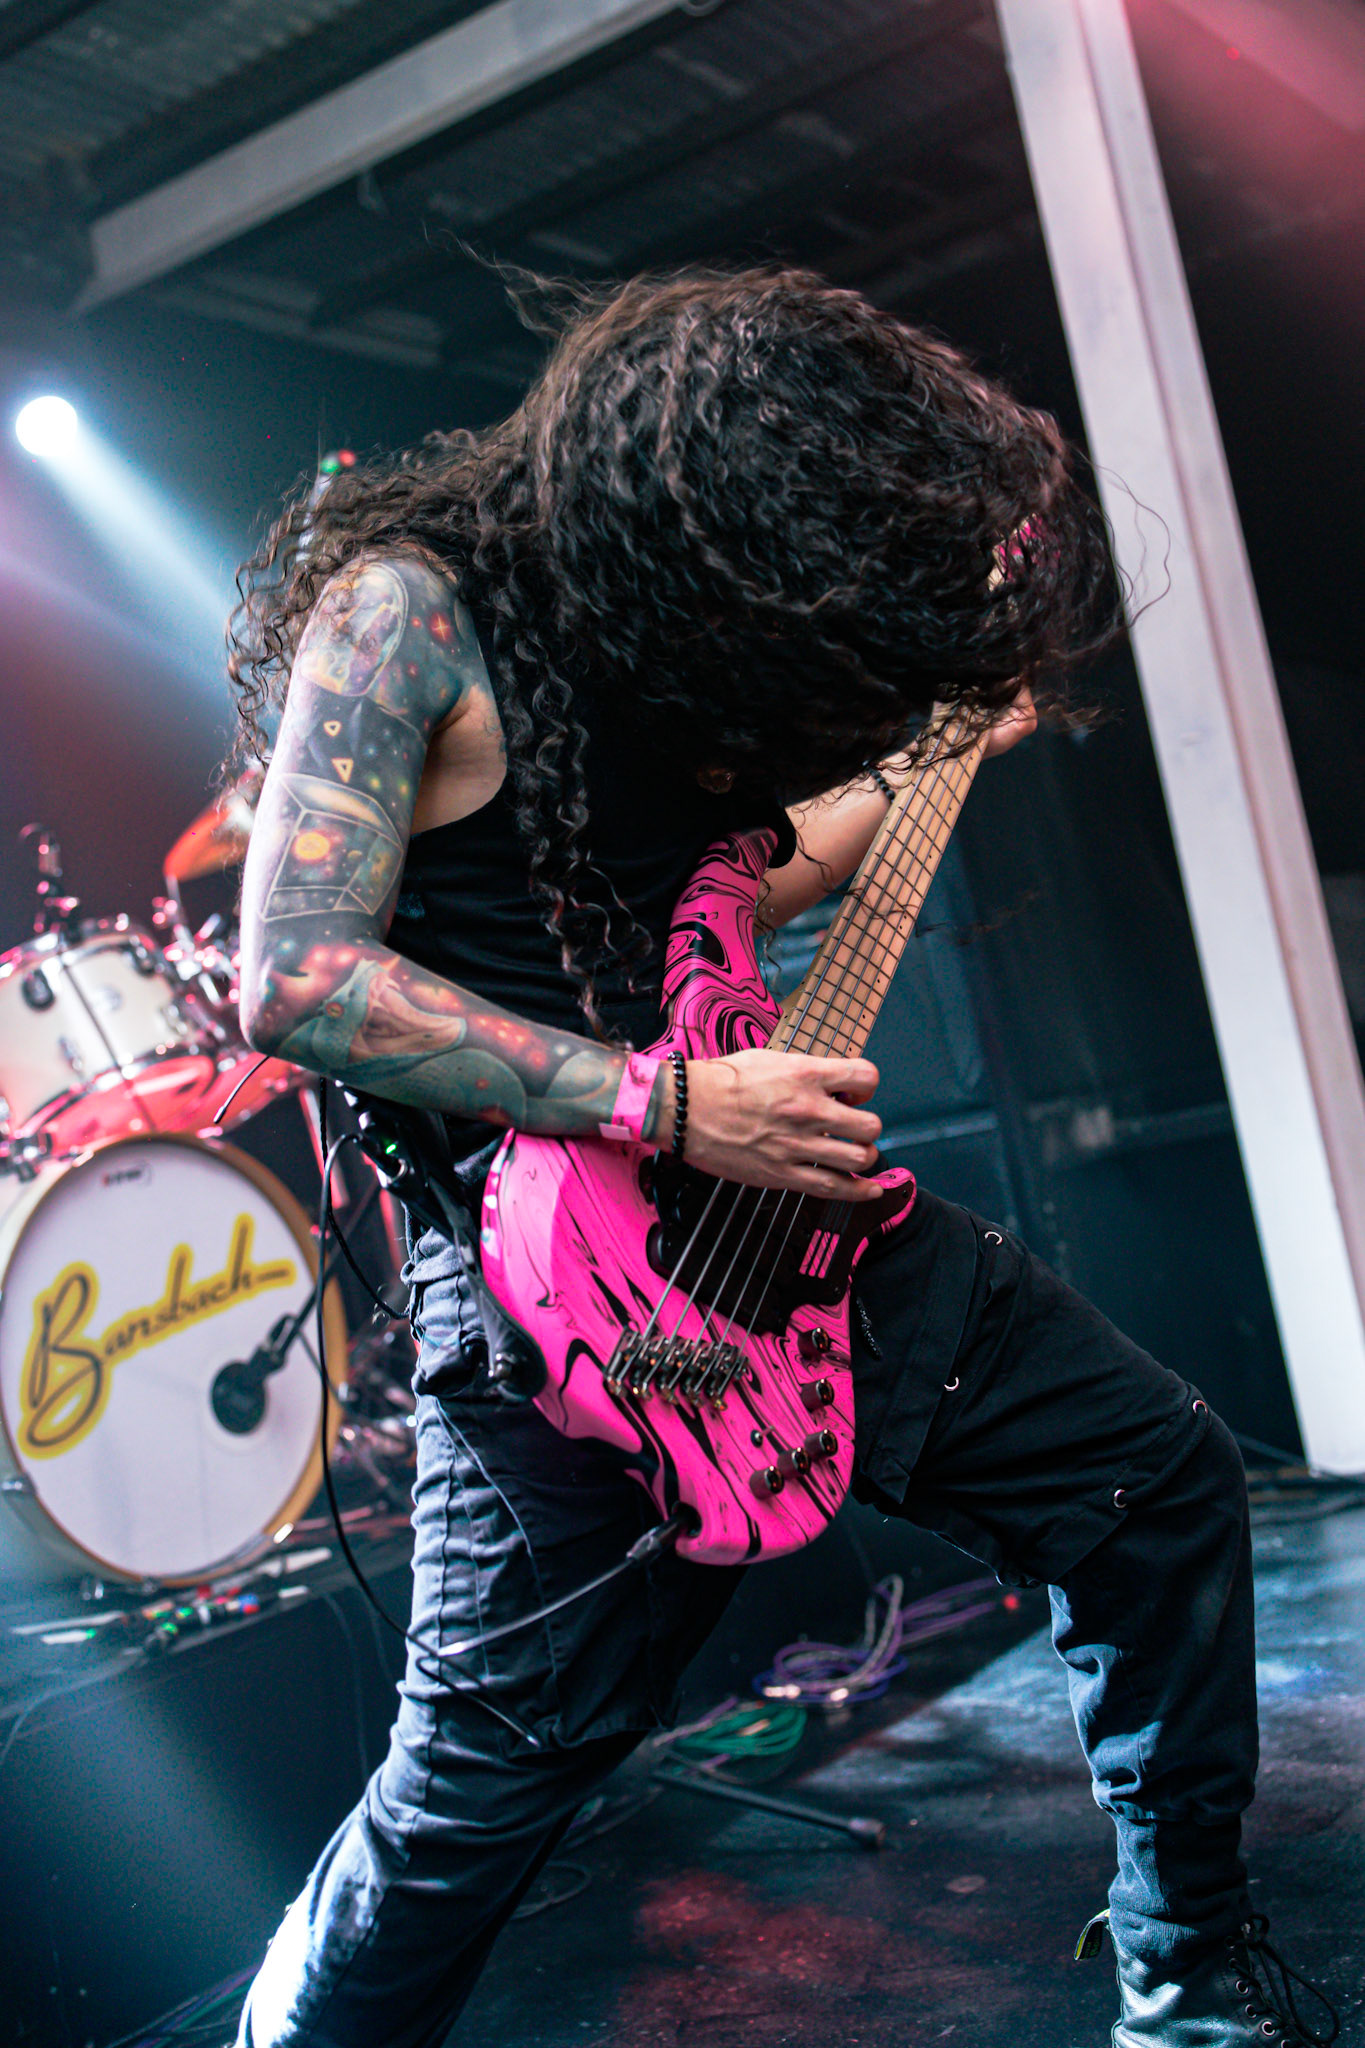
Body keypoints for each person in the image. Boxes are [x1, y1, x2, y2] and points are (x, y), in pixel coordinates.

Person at [227, 268, 1335, 2048]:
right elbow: (291, 978)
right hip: (551, 1287)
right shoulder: (405, 615)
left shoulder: (683, 673)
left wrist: (929, 744)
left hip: (782, 1229)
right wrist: (663, 1106)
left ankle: (1183, 1978)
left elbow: (732, 878)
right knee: (493, 1770)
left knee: (1153, 1480)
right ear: (696, 537)